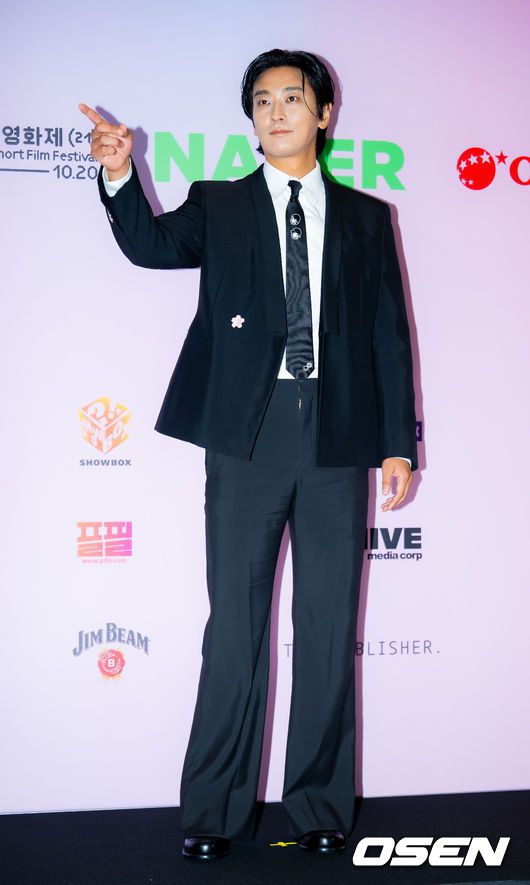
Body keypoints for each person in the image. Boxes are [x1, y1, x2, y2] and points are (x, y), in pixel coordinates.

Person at [79, 47, 418, 862]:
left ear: (324, 113)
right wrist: (120, 177)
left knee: (328, 627)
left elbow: (387, 335)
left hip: (337, 436)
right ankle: (214, 810)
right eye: (262, 100)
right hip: (248, 437)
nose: (276, 112)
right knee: (234, 625)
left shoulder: (368, 218)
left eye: (292, 98)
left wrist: (397, 443)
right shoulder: (221, 204)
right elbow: (152, 247)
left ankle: (320, 806)